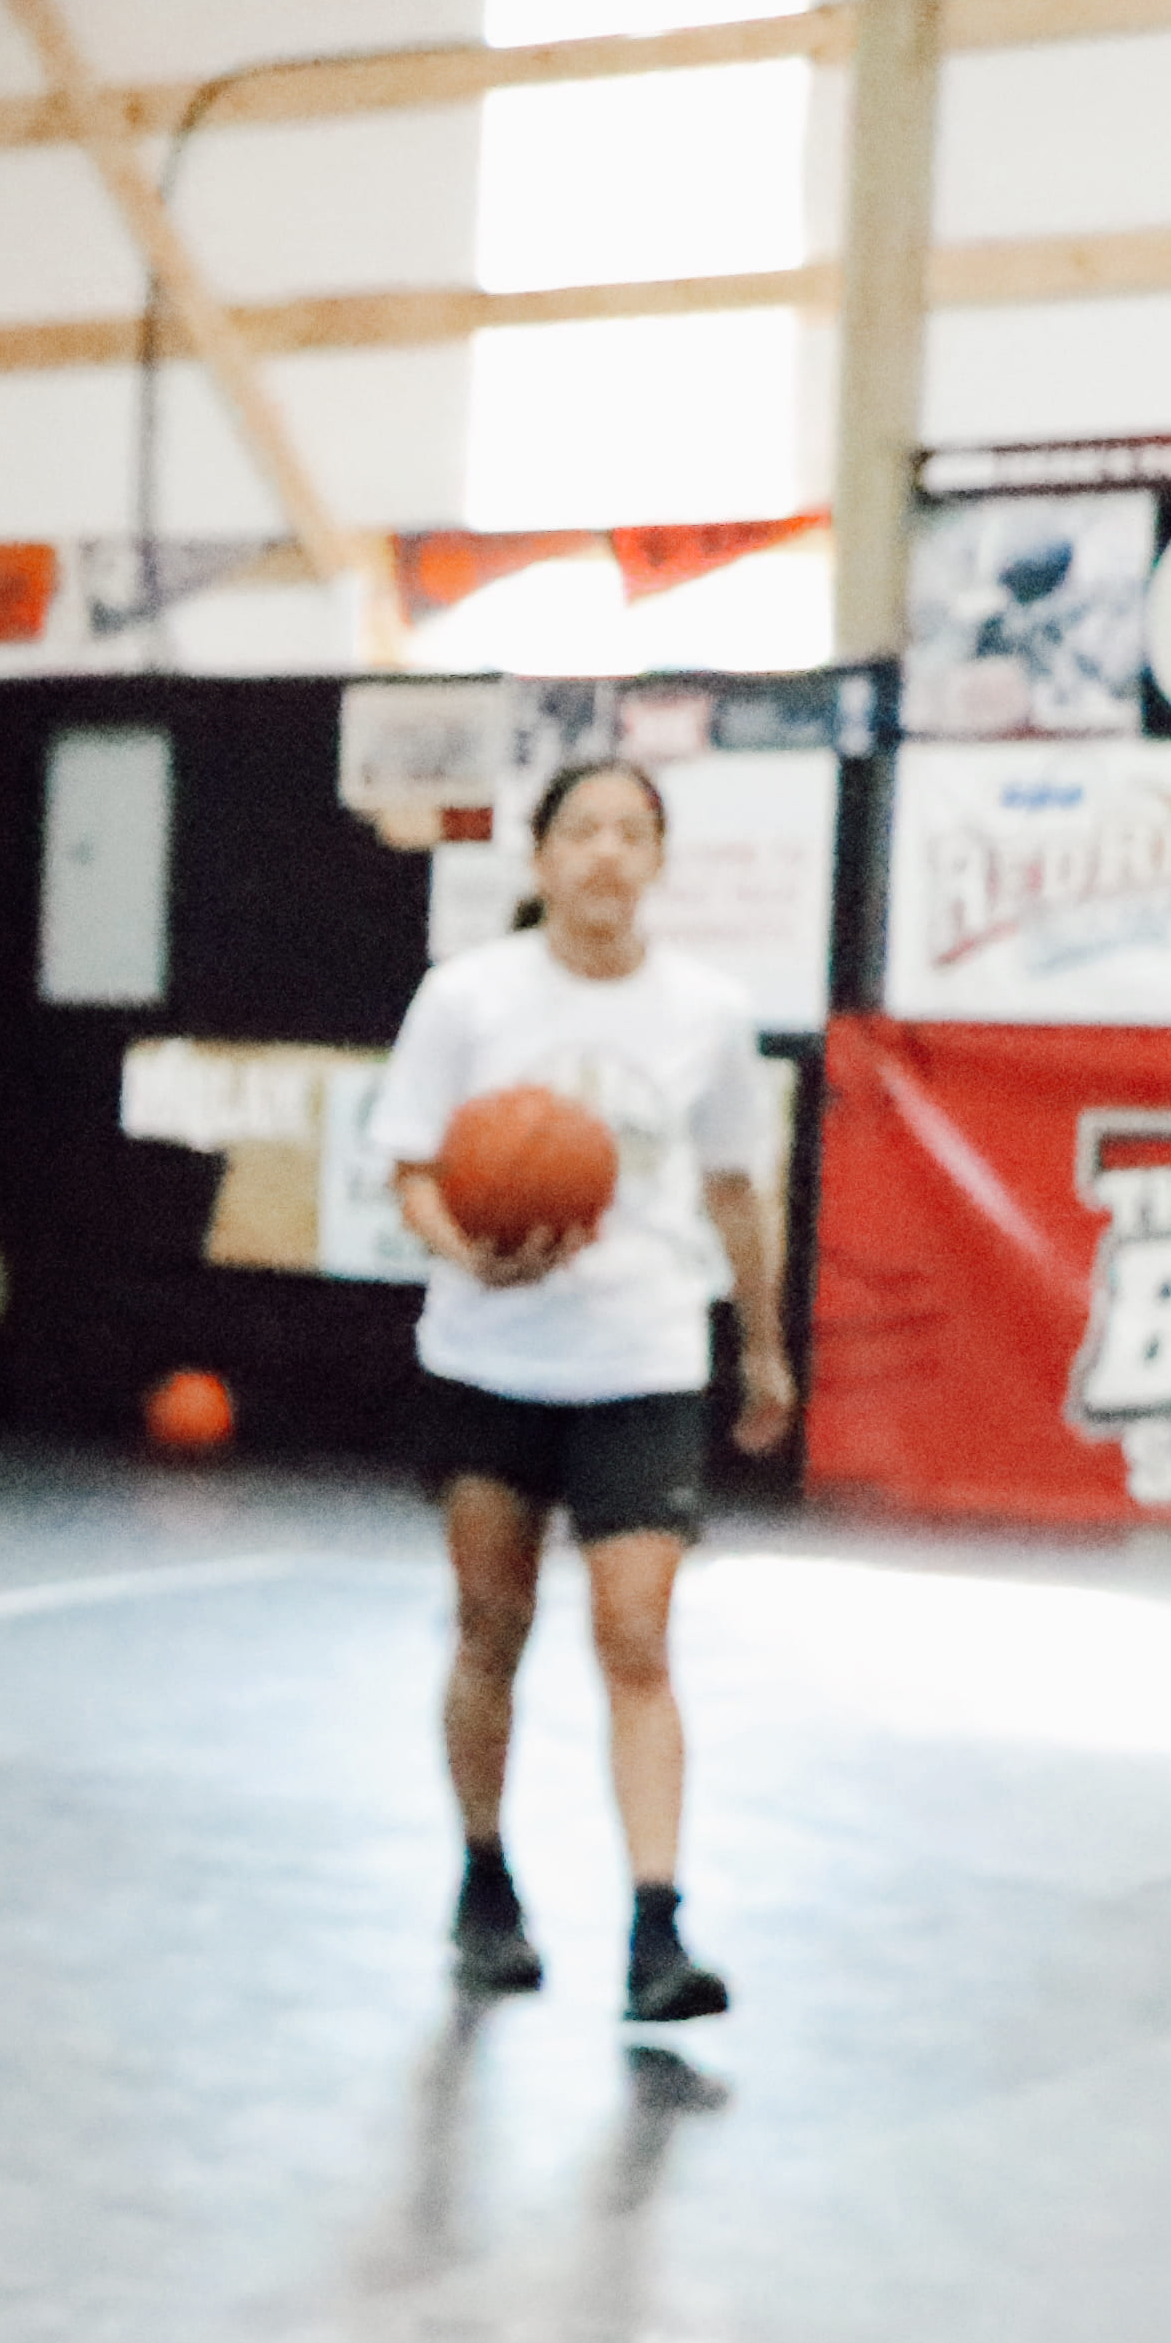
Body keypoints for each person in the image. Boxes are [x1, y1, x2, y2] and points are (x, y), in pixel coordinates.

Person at [373, 757, 798, 2025]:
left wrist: (762, 1347)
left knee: (635, 1640)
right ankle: (485, 1881)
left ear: (659, 861)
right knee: (490, 1630)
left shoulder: (709, 1012)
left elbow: (734, 1188)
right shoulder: (466, 1000)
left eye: (632, 832)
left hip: (643, 1360)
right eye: (582, 831)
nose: (607, 853)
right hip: (491, 1359)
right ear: (541, 857)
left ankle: (656, 1930)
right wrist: (470, 1248)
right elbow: (409, 1169)